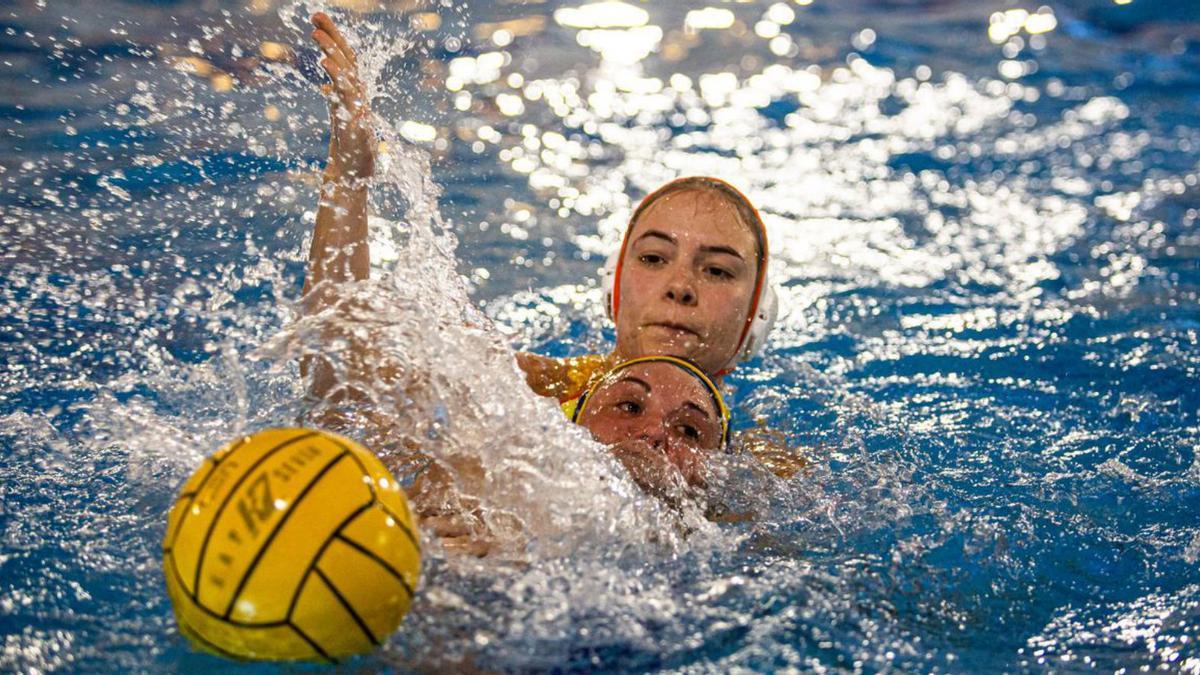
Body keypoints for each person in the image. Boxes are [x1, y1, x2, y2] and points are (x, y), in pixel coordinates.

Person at [304, 13, 778, 408]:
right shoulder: (528, 391)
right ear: (614, 292)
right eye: (653, 258)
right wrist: (349, 176)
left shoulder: (763, 473)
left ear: (755, 319)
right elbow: (337, 377)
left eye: (717, 270)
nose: (680, 288)